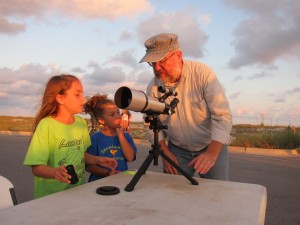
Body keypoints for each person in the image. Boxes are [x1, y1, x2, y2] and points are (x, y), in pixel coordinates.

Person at [139, 33, 232, 180]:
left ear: (178, 55)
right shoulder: (153, 87)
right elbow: (150, 123)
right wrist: (164, 153)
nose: (157, 68)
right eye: (152, 63)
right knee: (174, 194)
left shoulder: (203, 74)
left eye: (161, 61)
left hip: (211, 145)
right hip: (176, 150)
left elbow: (222, 116)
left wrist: (212, 153)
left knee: (217, 194)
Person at [23, 74, 117, 199]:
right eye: (77, 94)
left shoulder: (80, 123)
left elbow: (80, 155)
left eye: (82, 94)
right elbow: (37, 168)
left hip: (77, 192)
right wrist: (55, 172)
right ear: (60, 98)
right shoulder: (46, 125)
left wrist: (98, 160)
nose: (83, 99)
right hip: (50, 197)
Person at [83, 94, 137, 182]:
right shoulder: (94, 138)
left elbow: (130, 158)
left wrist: (120, 134)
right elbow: (88, 166)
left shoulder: (125, 136)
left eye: (118, 112)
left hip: (121, 181)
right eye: (112, 114)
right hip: (98, 183)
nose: (118, 116)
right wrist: (107, 173)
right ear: (101, 120)